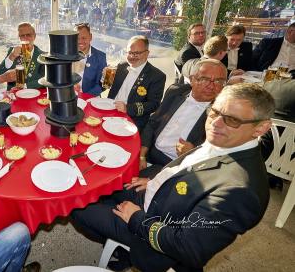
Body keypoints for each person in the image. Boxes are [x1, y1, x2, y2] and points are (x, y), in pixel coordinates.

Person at [72, 83, 273, 272]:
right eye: (214, 112)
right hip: (155, 194)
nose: (216, 123)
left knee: (76, 205)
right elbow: (187, 169)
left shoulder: (242, 191)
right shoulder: (228, 140)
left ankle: (126, 250)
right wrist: (156, 180)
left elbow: (187, 247)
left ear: (260, 128)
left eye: (233, 120)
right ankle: (120, 248)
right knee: (98, 185)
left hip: (150, 234)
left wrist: (136, 218)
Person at [140, 59, 227, 174]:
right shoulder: (175, 91)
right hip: (148, 151)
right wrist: (141, 155)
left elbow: (217, 157)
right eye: (204, 79)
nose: (211, 86)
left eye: (218, 81)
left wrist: (194, 153)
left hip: (177, 168)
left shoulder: (222, 114)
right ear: (191, 80)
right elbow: (153, 122)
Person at [107, 35, 166, 131]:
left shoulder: (157, 76)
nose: (132, 57)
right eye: (130, 52)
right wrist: (105, 78)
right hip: (109, 112)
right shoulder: (121, 66)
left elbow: (153, 105)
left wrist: (128, 108)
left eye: (137, 53)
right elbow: (108, 87)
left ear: (147, 53)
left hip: (132, 121)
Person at [0, 22, 45, 90]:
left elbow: (45, 79)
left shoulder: (42, 56)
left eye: (28, 35)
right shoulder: (12, 51)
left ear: (34, 36)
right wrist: (11, 56)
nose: (25, 38)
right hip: (14, 96)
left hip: (33, 95)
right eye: (22, 35)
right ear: (19, 37)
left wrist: (25, 86)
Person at [73, 23, 107, 96]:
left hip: (90, 98)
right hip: (69, 96)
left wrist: (85, 96)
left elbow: (102, 85)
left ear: (90, 37)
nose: (80, 41)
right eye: (77, 38)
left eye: (84, 38)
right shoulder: (66, 55)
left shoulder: (100, 57)